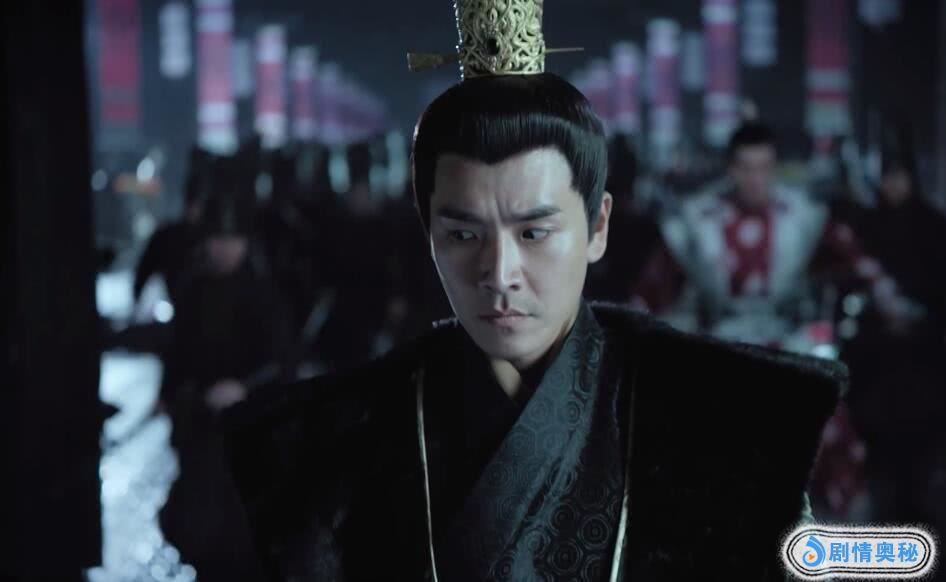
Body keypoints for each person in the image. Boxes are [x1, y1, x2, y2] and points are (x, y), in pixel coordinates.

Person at [223, 2, 843, 580]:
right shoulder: (325, 445)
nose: (500, 272)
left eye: (535, 232)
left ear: (597, 226)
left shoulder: (729, 424)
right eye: (463, 234)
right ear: (427, 231)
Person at [158, 152, 293, 582]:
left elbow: (282, 360)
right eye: (217, 238)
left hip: (247, 428)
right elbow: (177, 349)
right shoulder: (193, 288)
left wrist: (244, 388)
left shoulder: (262, 292)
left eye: (231, 239)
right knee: (197, 524)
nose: (223, 248)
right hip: (200, 423)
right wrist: (170, 392)